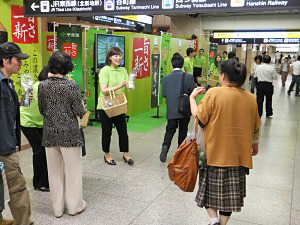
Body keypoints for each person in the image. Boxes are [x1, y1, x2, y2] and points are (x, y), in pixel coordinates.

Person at [190, 60, 260, 225]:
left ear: (223, 76)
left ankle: (213, 221)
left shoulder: (213, 93)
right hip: (238, 157)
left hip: (214, 154)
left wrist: (192, 99)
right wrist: (255, 144)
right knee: (229, 196)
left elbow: (199, 119)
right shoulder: (251, 98)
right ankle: (222, 223)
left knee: (208, 192)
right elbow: (256, 128)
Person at [38, 52, 87, 218]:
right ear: (68, 67)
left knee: (54, 173)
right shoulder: (72, 86)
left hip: (50, 133)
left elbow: (42, 110)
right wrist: (82, 105)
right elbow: (80, 112)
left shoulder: (42, 85)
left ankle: (57, 210)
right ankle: (74, 207)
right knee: (73, 171)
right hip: (70, 133)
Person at [0, 42, 33, 225]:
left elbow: (7, 112)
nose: (20, 63)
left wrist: (21, 101)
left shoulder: (8, 83)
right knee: (17, 188)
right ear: (5, 60)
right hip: (4, 147)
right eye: (17, 60)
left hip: (7, 142)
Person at [98, 47, 134, 166]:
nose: (118, 58)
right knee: (107, 131)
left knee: (123, 131)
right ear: (109, 57)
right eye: (115, 56)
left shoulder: (123, 70)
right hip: (105, 106)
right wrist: (119, 86)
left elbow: (127, 86)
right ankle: (107, 155)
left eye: (120, 55)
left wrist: (131, 82)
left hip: (118, 104)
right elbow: (103, 90)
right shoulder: (105, 70)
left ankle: (126, 154)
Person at [159, 53, 196, 162]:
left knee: (170, 129)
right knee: (183, 130)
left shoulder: (165, 78)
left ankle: (165, 147)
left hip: (171, 109)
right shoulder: (188, 77)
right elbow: (193, 91)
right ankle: (180, 154)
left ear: (171, 64)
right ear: (182, 64)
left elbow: (164, 94)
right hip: (184, 109)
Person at [20, 66, 49, 192]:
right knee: (39, 150)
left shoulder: (48, 87)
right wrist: (25, 96)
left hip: (40, 123)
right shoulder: (36, 86)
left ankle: (46, 180)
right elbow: (25, 103)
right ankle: (39, 183)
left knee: (45, 150)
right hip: (28, 122)